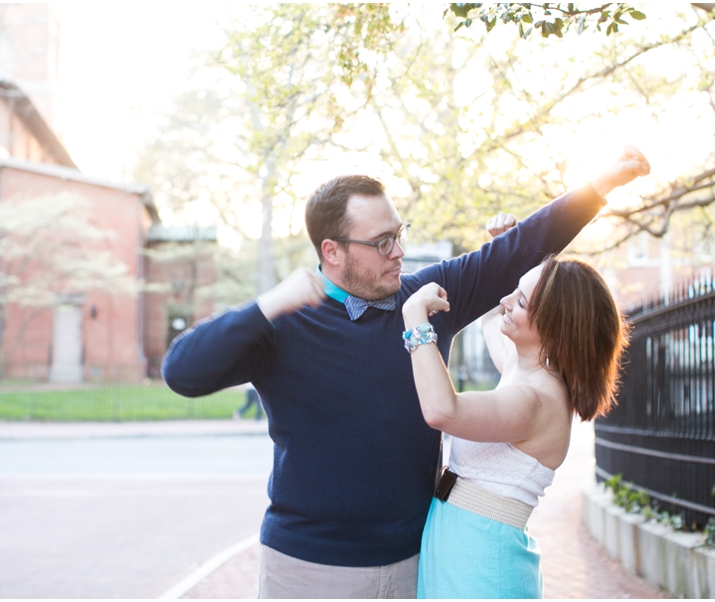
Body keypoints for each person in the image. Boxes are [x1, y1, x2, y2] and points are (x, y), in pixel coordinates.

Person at [161, 147, 649, 598]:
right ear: (332, 251)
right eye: (382, 242)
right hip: (311, 568)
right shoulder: (284, 322)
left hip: (421, 563)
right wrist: (269, 304)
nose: (398, 251)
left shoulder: (427, 295)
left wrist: (603, 183)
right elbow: (182, 372)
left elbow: (521, 248)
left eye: (399, 233)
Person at [402, 254, 628, 598]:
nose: (506, 301)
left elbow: (442, 411)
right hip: (463, 550)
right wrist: (505, 250)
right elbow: (490, 319)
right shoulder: (523, 368)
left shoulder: (536, 400)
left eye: (520, 300)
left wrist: (414, 316)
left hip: (482, 563)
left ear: (555, 325)